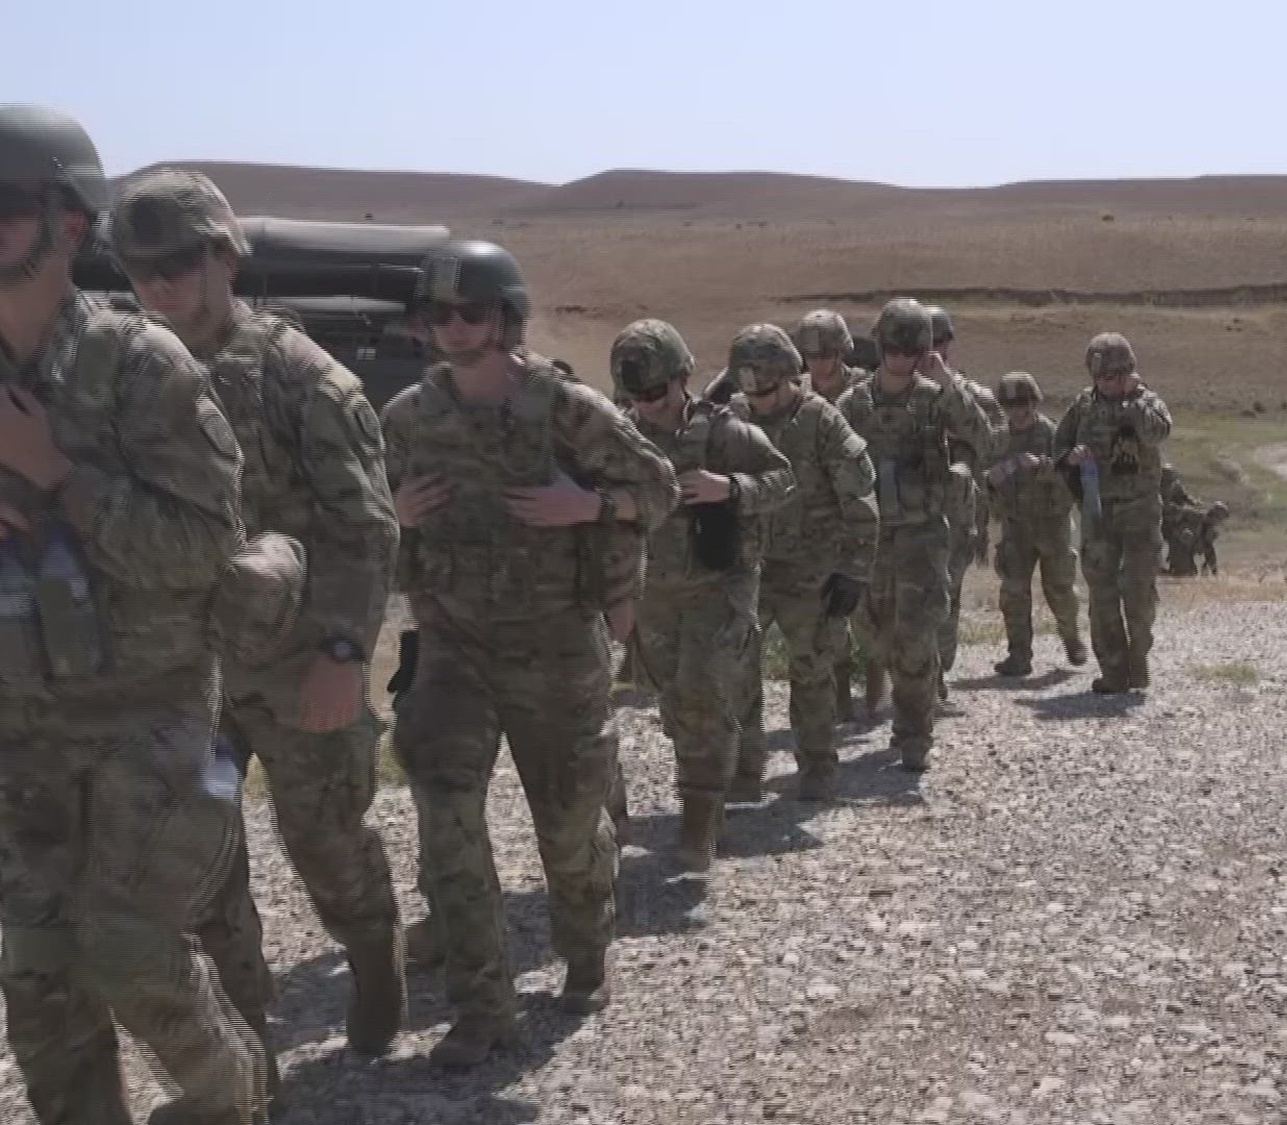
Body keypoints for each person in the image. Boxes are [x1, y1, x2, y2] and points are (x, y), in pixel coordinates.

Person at [109, 168, 407, 1089]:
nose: (160, 283)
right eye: (141, 265)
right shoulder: (122, 372)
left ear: (224, 256)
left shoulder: (300, 374)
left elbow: (366, 526)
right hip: (177, 669)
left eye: (179, 261)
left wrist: (345, 652)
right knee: (202, 868)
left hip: (296, 657)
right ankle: (250, 1056)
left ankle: (373, 949)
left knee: (325, 840)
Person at [0, 104, 268, 1123]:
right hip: (17, 730)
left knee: (128, 952)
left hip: (143, 723)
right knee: (41, 988)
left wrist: (57, 475)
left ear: (69, 224)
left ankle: (227, 1099)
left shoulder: (141, 368)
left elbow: (204, 546)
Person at [383, 239, 675, 1068]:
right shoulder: (407, 417)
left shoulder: (564, 407)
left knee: (568, 825)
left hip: (555, 650)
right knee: (445, 822)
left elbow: (656, 488)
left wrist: (587, 504)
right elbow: (365, 525)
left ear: (505, 317)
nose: (453, 328)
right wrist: (394, 511)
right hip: (450, 651)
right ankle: (483, 1006)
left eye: (469, 312)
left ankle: (587, 955)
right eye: (437, 314)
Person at [613, 320, 793, 923]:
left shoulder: (726, 432)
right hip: (654, 593)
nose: (649, 406)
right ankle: (707, 791)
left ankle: (698, 821)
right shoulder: (620, 438)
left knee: (705, 698)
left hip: (720, 587)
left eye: (658, 392)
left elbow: (782, 481)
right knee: (675, 704)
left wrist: (731, 488)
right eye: (637, 397)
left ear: (683, 378)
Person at [838, 298, 995, 771]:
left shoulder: (935, 398)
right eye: (893, 349)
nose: (901, 359)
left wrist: (947, 383)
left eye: (911, 350)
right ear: (880, 347)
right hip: (872, 536)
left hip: (923, 534)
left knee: (917, 634)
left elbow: (985, 439)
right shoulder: (853, 404)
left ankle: (913, 733)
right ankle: (906, 698)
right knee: (875, 634)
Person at [735, 317, 878, 802]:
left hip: (812, 571)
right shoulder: (736, 417)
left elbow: (860, 500)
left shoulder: (821, 420)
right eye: (752, 393)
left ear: (791, 376)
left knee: (813, 672)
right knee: (736, 670)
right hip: (749, 568)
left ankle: (817, 766)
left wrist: (855, 570)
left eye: (770, 391)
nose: (760, 402)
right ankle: (744, 771)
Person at [1054, 332, 1172, 693]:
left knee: (1137, 593)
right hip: (1097, 514)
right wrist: (1071, 457)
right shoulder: (1083, 407)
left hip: (1140, 513)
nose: (1113, 383)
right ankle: (1113, 671)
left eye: (1120, 376)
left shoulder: (1147, 402)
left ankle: (1138, 662)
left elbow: (1157, 433)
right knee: (1102, 595)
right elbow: (1058, 446)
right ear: (1093, 377)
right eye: (1106, 377)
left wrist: (1133, 399)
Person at [791, 308, 872, 721]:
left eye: (827, 353)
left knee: (872, 610)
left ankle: (876, 681)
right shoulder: (793, 393)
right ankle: (838, 693)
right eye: (811, 353)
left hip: (861, 514)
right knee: (827, 615)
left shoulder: (863, 392)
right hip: (813, 522)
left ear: (843, 351)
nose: (819, 362)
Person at [925, 304, 1004, 701]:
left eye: (937, 342)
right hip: (898, 512)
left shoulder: (972, 395)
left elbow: (990, 442)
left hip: (953, 514)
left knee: (944, 595)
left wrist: (947, 386)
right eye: (922, 342)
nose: (929, 351)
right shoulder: (886, 393)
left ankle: (933, 675)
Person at [985, 372, 1086, 677]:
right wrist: (995, 475)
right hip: (1016, 526)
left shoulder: (1053, 436)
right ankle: (1019, 656)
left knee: (1060, 590)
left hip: (1052, 524)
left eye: (1025, 403)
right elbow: (982, 478)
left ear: (1034, 402)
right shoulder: (998, 439)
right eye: (1012, 404)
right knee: (1014, 591)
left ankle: (1071, 638)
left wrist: (1041, 467)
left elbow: (1070, 476)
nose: (1019, 410)